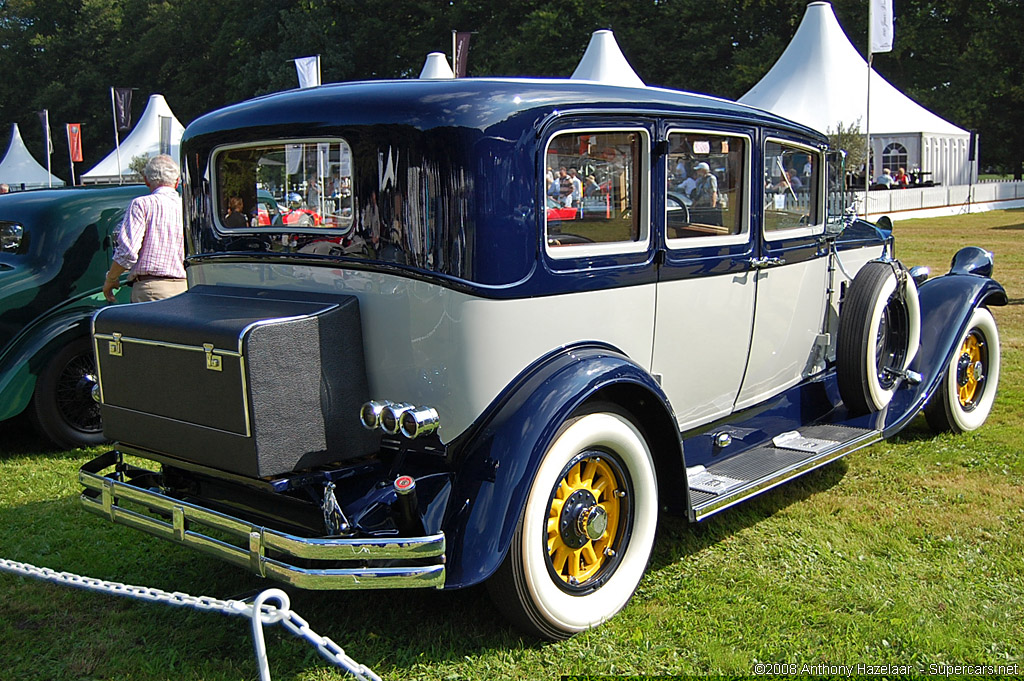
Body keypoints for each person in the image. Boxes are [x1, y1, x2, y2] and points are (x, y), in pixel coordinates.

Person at [103, 154, 186, 303]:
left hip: (150, 288)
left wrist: (111, 278)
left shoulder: (141, 204)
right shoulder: (186, 207)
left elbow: (128, 251)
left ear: (146, 181)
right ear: (177, 181)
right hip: (185, 288)